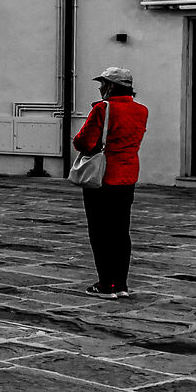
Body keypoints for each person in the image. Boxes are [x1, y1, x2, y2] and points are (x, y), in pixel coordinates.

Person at [71, 65, 149, 297]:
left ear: (111, 86)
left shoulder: (103, 109)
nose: (100, 88)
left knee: (100, 231)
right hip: (128, 176)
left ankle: (106, 284)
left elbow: (84, 142)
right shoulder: (141, 110)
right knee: (120, 231)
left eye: (103, 84)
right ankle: (121, 284)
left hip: (102, 177)